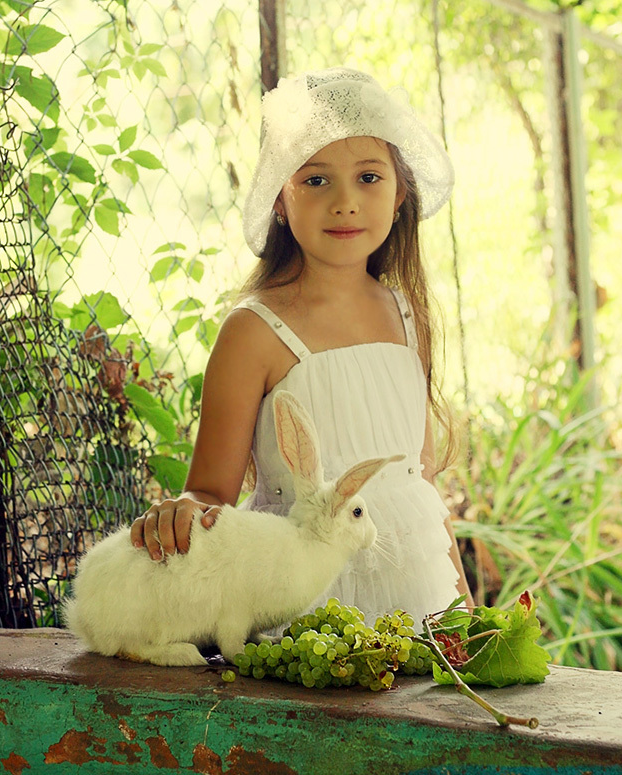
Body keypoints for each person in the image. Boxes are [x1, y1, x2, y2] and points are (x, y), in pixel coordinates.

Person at [130, 67, 474, 619]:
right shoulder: (254, 330)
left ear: (400, 190)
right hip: (304, 606)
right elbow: (211, 493)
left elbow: (421, 488)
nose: (344, 202)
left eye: (368, 177)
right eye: (315, 180)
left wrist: (468, 614)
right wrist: (181, 511)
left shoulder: (407, 315)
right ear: (280, 201)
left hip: (419, 604)